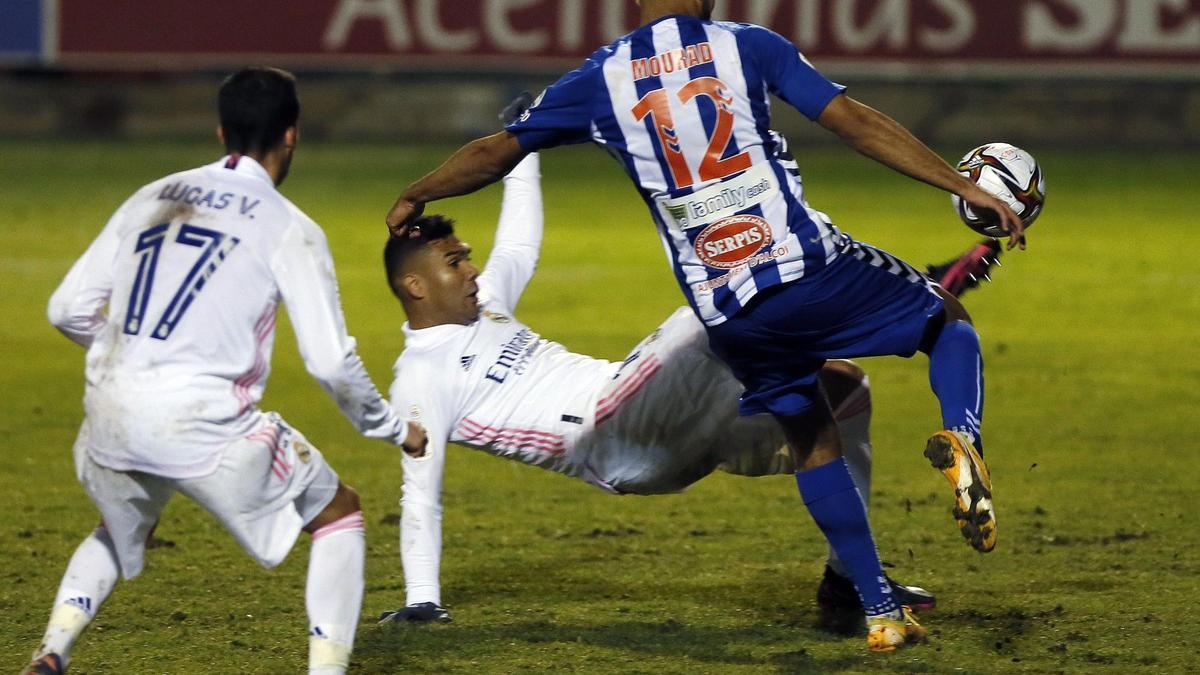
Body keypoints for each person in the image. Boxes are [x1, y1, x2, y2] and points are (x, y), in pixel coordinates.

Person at [376, 150, 1004, 637]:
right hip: (611, 435)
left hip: (669, 421)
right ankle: (908, 296)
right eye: (455, 263)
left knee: (844, 392)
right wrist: (422, 600)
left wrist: (523, 155)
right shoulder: (421, 378)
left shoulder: (485, 308)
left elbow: (518, 245)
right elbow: (419, 492)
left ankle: (847, 587)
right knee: (708, 315)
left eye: (465, 255)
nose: (475, 269)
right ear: (416, 287)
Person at [26, 67, 425, 675]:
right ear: (291, 135)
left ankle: (52, 651)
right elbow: (327, 360)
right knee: (337, 512)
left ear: (220, 130)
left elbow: (66, 308)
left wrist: (134, 363)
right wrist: (393, 427)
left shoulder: (154, 194)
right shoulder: (290, 227)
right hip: (204, 420)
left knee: (122, 519)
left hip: (111, 407)